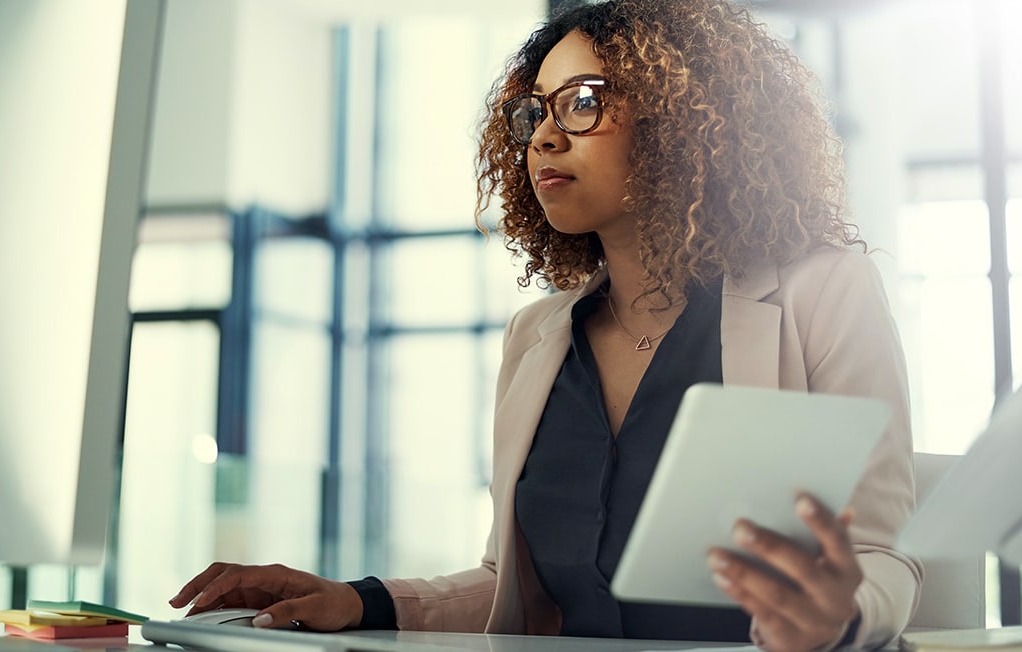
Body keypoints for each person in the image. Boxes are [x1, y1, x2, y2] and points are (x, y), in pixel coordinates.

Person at [168, 1, 923, 650]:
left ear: (684, 117)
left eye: (583, 101)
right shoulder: (537, 337)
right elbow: (512, 591)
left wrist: (837, 618)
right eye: (534, 110)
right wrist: (359, 601)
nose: (544, 138)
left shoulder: (822, 293)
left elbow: (885, 556)